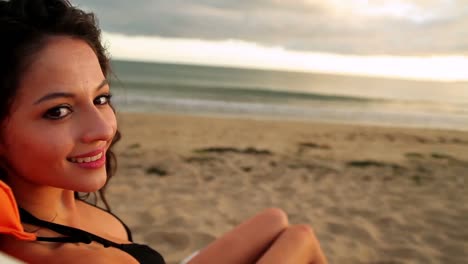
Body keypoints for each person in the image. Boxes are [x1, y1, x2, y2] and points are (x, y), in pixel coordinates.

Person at [0, 0, 328, 263]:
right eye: (58, 111)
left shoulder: (61, 202)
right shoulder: (74, 256)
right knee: (301, 241)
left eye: (101, 98)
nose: (102, 129)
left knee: (275, 220)